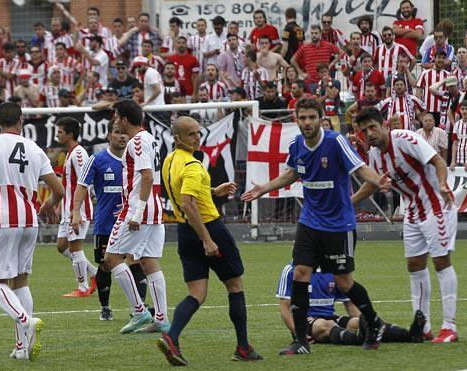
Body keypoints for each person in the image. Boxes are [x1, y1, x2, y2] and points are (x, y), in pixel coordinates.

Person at [242, 97, 392, 354]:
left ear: (321, 119)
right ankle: (301, 341)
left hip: (338, 224)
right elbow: (291, 173)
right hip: (310, 221)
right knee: (301, 273)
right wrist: (263, 188)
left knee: (344, 283)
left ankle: (374, 322)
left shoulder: (335, 142)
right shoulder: (297, 144)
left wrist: (379, 180)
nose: (307, 122)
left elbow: (360, 169)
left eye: (312, 117)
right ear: (296, 119)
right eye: (303, 118)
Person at [0, 102, 65, 360]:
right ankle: (21, 347)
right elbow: (58, 190)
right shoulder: (35, 149)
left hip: (2, 221)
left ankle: (26, 320)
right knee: (20, 281)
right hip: (29, 221)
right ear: (20, 121)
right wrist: (49, 205)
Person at [158, 116, 263, 365]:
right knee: (235, 286)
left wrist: (214, 191)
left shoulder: (170, 160)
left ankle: (171, 337)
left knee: (197, 293)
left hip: (185, 231)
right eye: (191, 134)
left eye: (198, 132)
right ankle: (243, 348)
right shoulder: (192, 165)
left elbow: (186, 196)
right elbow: (188, 202)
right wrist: (207, 239)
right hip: (209, 229)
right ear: (178, 138)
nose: (197, 137)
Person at [353, 107, 459, 343]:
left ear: (384, 125)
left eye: (373, 127)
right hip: (412, 210)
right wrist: (349, 202)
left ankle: (449, 326)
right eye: (364, 130)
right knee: (414, 265)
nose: (369, 133)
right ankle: (424, 326)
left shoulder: (405, 139)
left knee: (441, 261)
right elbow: (373, 183)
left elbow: (438, 161)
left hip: (436, 206)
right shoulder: (374, 156)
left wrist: (442, 184)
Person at [104, 99, 169, 334]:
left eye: (115, 115)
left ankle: (140, 312)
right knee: (149, 261)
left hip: (138, 212)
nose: (114, 119)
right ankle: (161, 318)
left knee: (111, 259)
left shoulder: (138, 141)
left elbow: (148, 176)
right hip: (154, 210)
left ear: (123, 119)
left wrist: (136, 212)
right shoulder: (150, 138)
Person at [277, 262, 426, 345]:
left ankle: (410, 335)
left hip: (330, 317)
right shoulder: (291, 270)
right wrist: (298, 334)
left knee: (356, 322)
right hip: (306, 320)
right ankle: (359, 340)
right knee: (325, 325)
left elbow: (350, 305)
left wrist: (364, 322)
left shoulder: (332, 270)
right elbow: (284, 308)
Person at [72, 122, 128, 320]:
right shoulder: (97, 159)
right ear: (109, 135)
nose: (122, 136)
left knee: (138, 262)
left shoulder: (136, 158)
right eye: (117, 132)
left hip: (131, 221)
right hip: (106, 222)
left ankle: (140, 308)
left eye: (124, 133)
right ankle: (105, 307)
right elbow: (82, 186)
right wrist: (76, 212)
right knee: (105, 265)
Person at [55, 117, 98, 297]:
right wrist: (60, 205)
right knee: (61, 245)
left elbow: (84, 182)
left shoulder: (79, 153)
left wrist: (76, 211)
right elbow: (69, 184)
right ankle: (95, 273)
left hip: (78, 209)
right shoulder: (70, 153)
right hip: (68, 208)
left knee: (75, 247)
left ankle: (82, 288)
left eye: (60, 132)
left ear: (70, 134)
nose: (57, 135)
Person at [291, 25, 341, 92]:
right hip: (311, 82)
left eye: (316, 33)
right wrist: (300, 73)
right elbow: (292, 60)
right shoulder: (305, 47)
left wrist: (331, 64)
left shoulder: (328, 45)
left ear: (320, 34)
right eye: (312, 33)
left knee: (331, 97)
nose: (314, 35)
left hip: (325, 81)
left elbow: (341, 53)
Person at [416, 50, 452, 125]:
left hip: (443, 112)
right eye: (439, 57)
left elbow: (451, 94)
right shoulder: (425, 73)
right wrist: (419, 109)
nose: (441, 60)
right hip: (427, 110)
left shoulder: (449, 75)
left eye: (443, 58)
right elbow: (419, 91)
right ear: (434, 58)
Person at [450, 101, 467, 172]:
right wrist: (453, 161)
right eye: (462, 109)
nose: (464, 111)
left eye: (466, 109)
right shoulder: (456, 124)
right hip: (459, 160)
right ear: (459, 110)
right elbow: (455, 144)